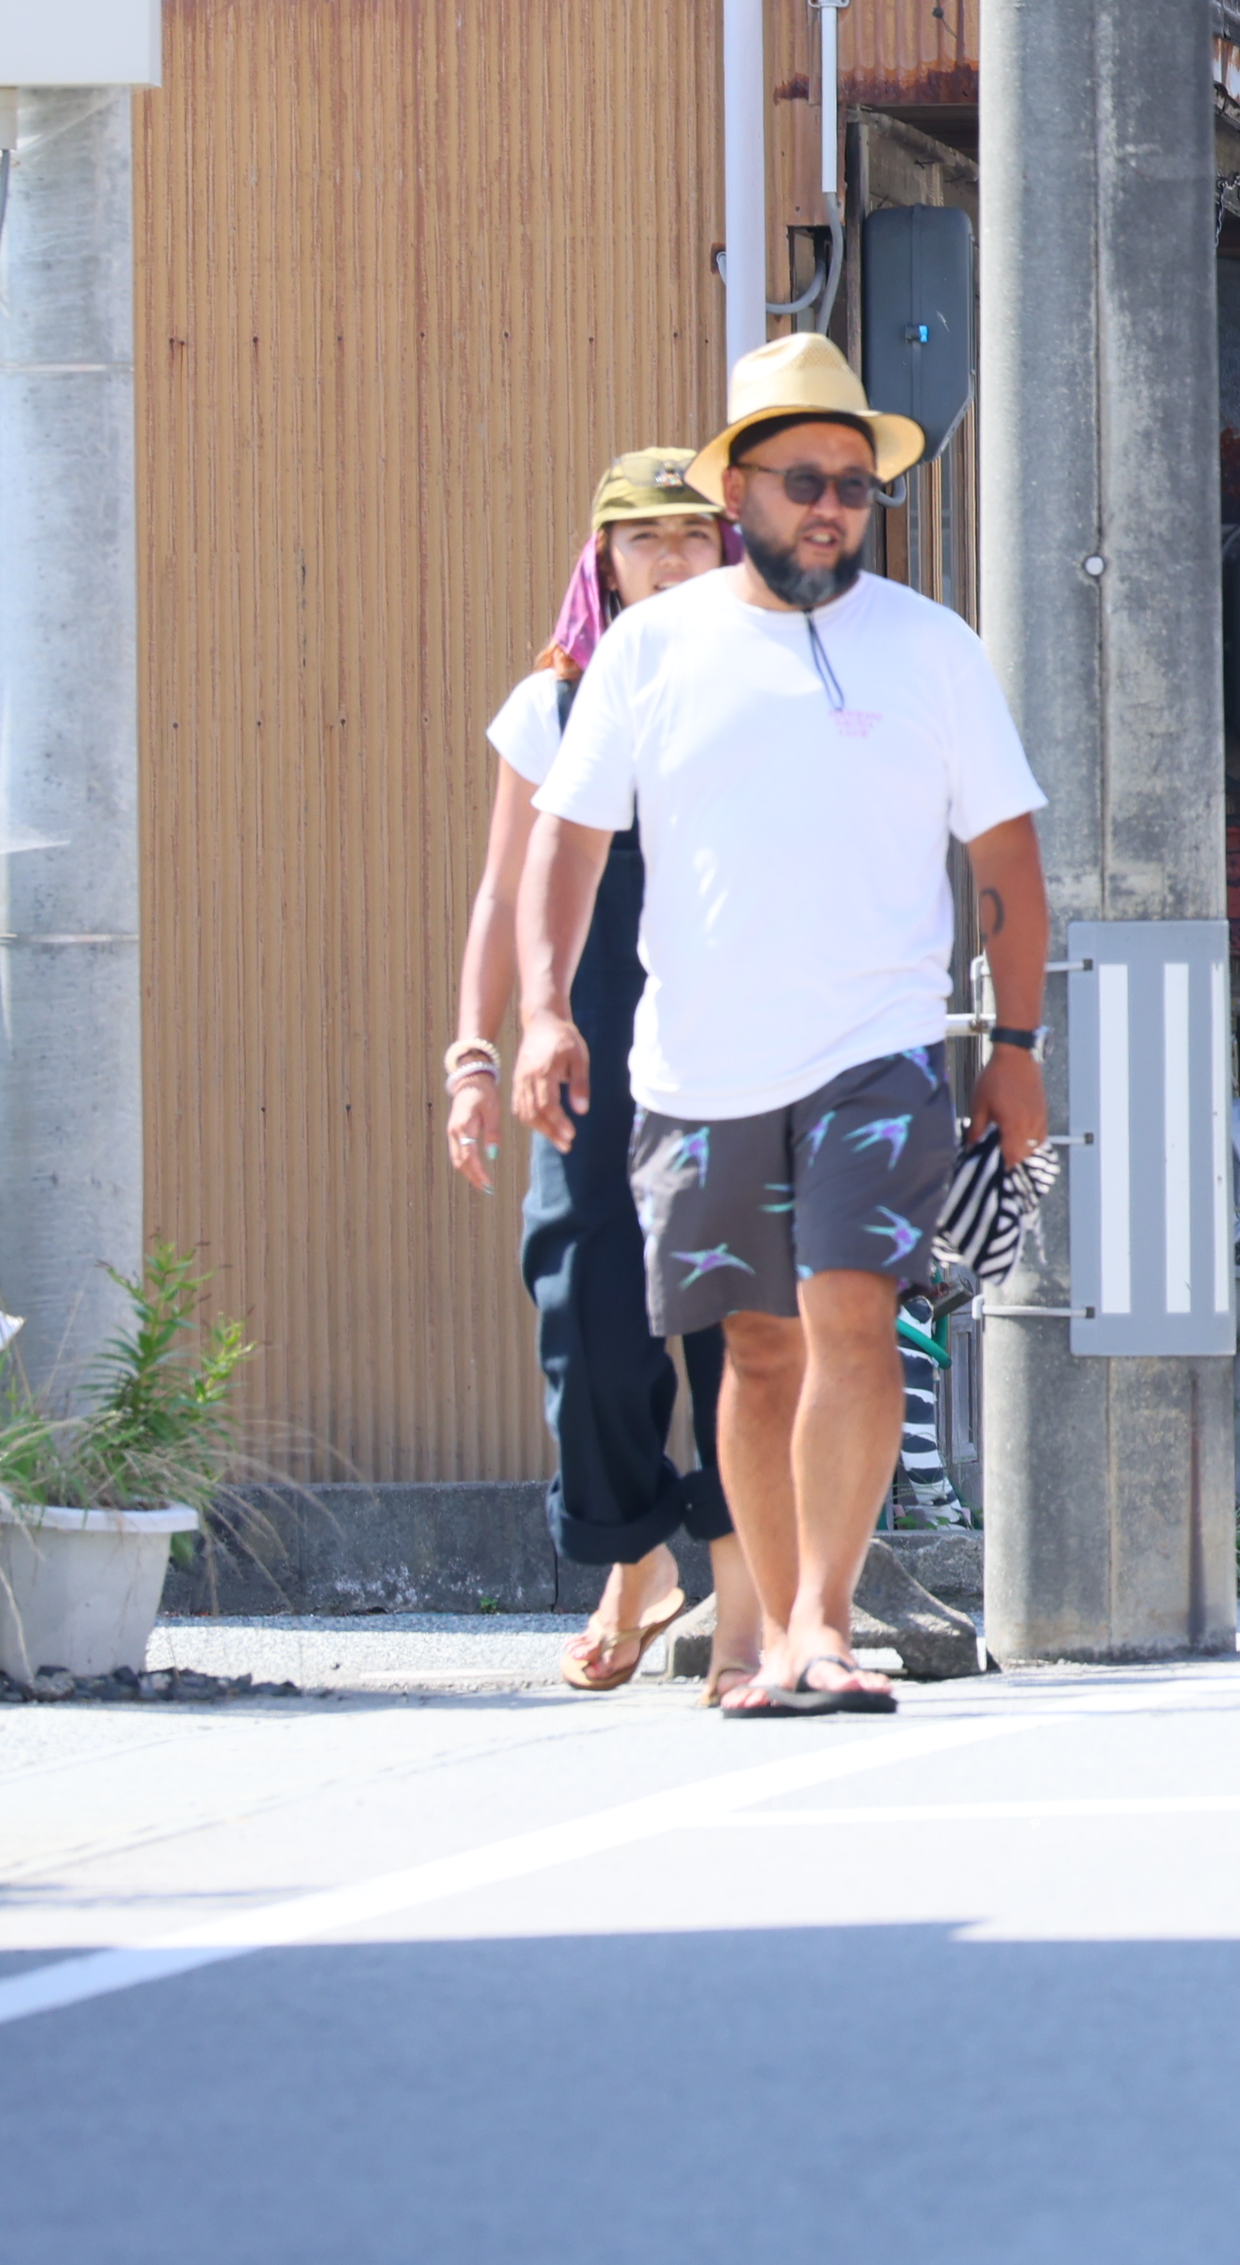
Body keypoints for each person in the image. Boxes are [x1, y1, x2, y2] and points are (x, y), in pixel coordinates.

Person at [515, 333, 1049, 1720]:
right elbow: (563, 851)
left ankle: (821, 1619)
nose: (831, 507)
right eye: (803, 480)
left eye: (854, 487)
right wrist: (538, 1013)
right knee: (755, 1347)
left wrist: (1017, 1047)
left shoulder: (928, 649)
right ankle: (761, 1642)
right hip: (697, 1067)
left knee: (853, 1322)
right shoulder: (651, 650)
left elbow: (1007, 865)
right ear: (739, 490)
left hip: (879, 1047)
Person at [443, 445, 754, 1694]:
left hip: (736, 1037)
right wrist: (477, 1048)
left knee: (739, 1309)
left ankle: (742, 1589)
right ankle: (634, 1553)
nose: (670, 559)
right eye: (644, 539)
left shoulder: (766, 681)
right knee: (585, 1300)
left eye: (691, 537)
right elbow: (504, 887)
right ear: (605, 562)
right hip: (585, 1043)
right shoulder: (554, 704)